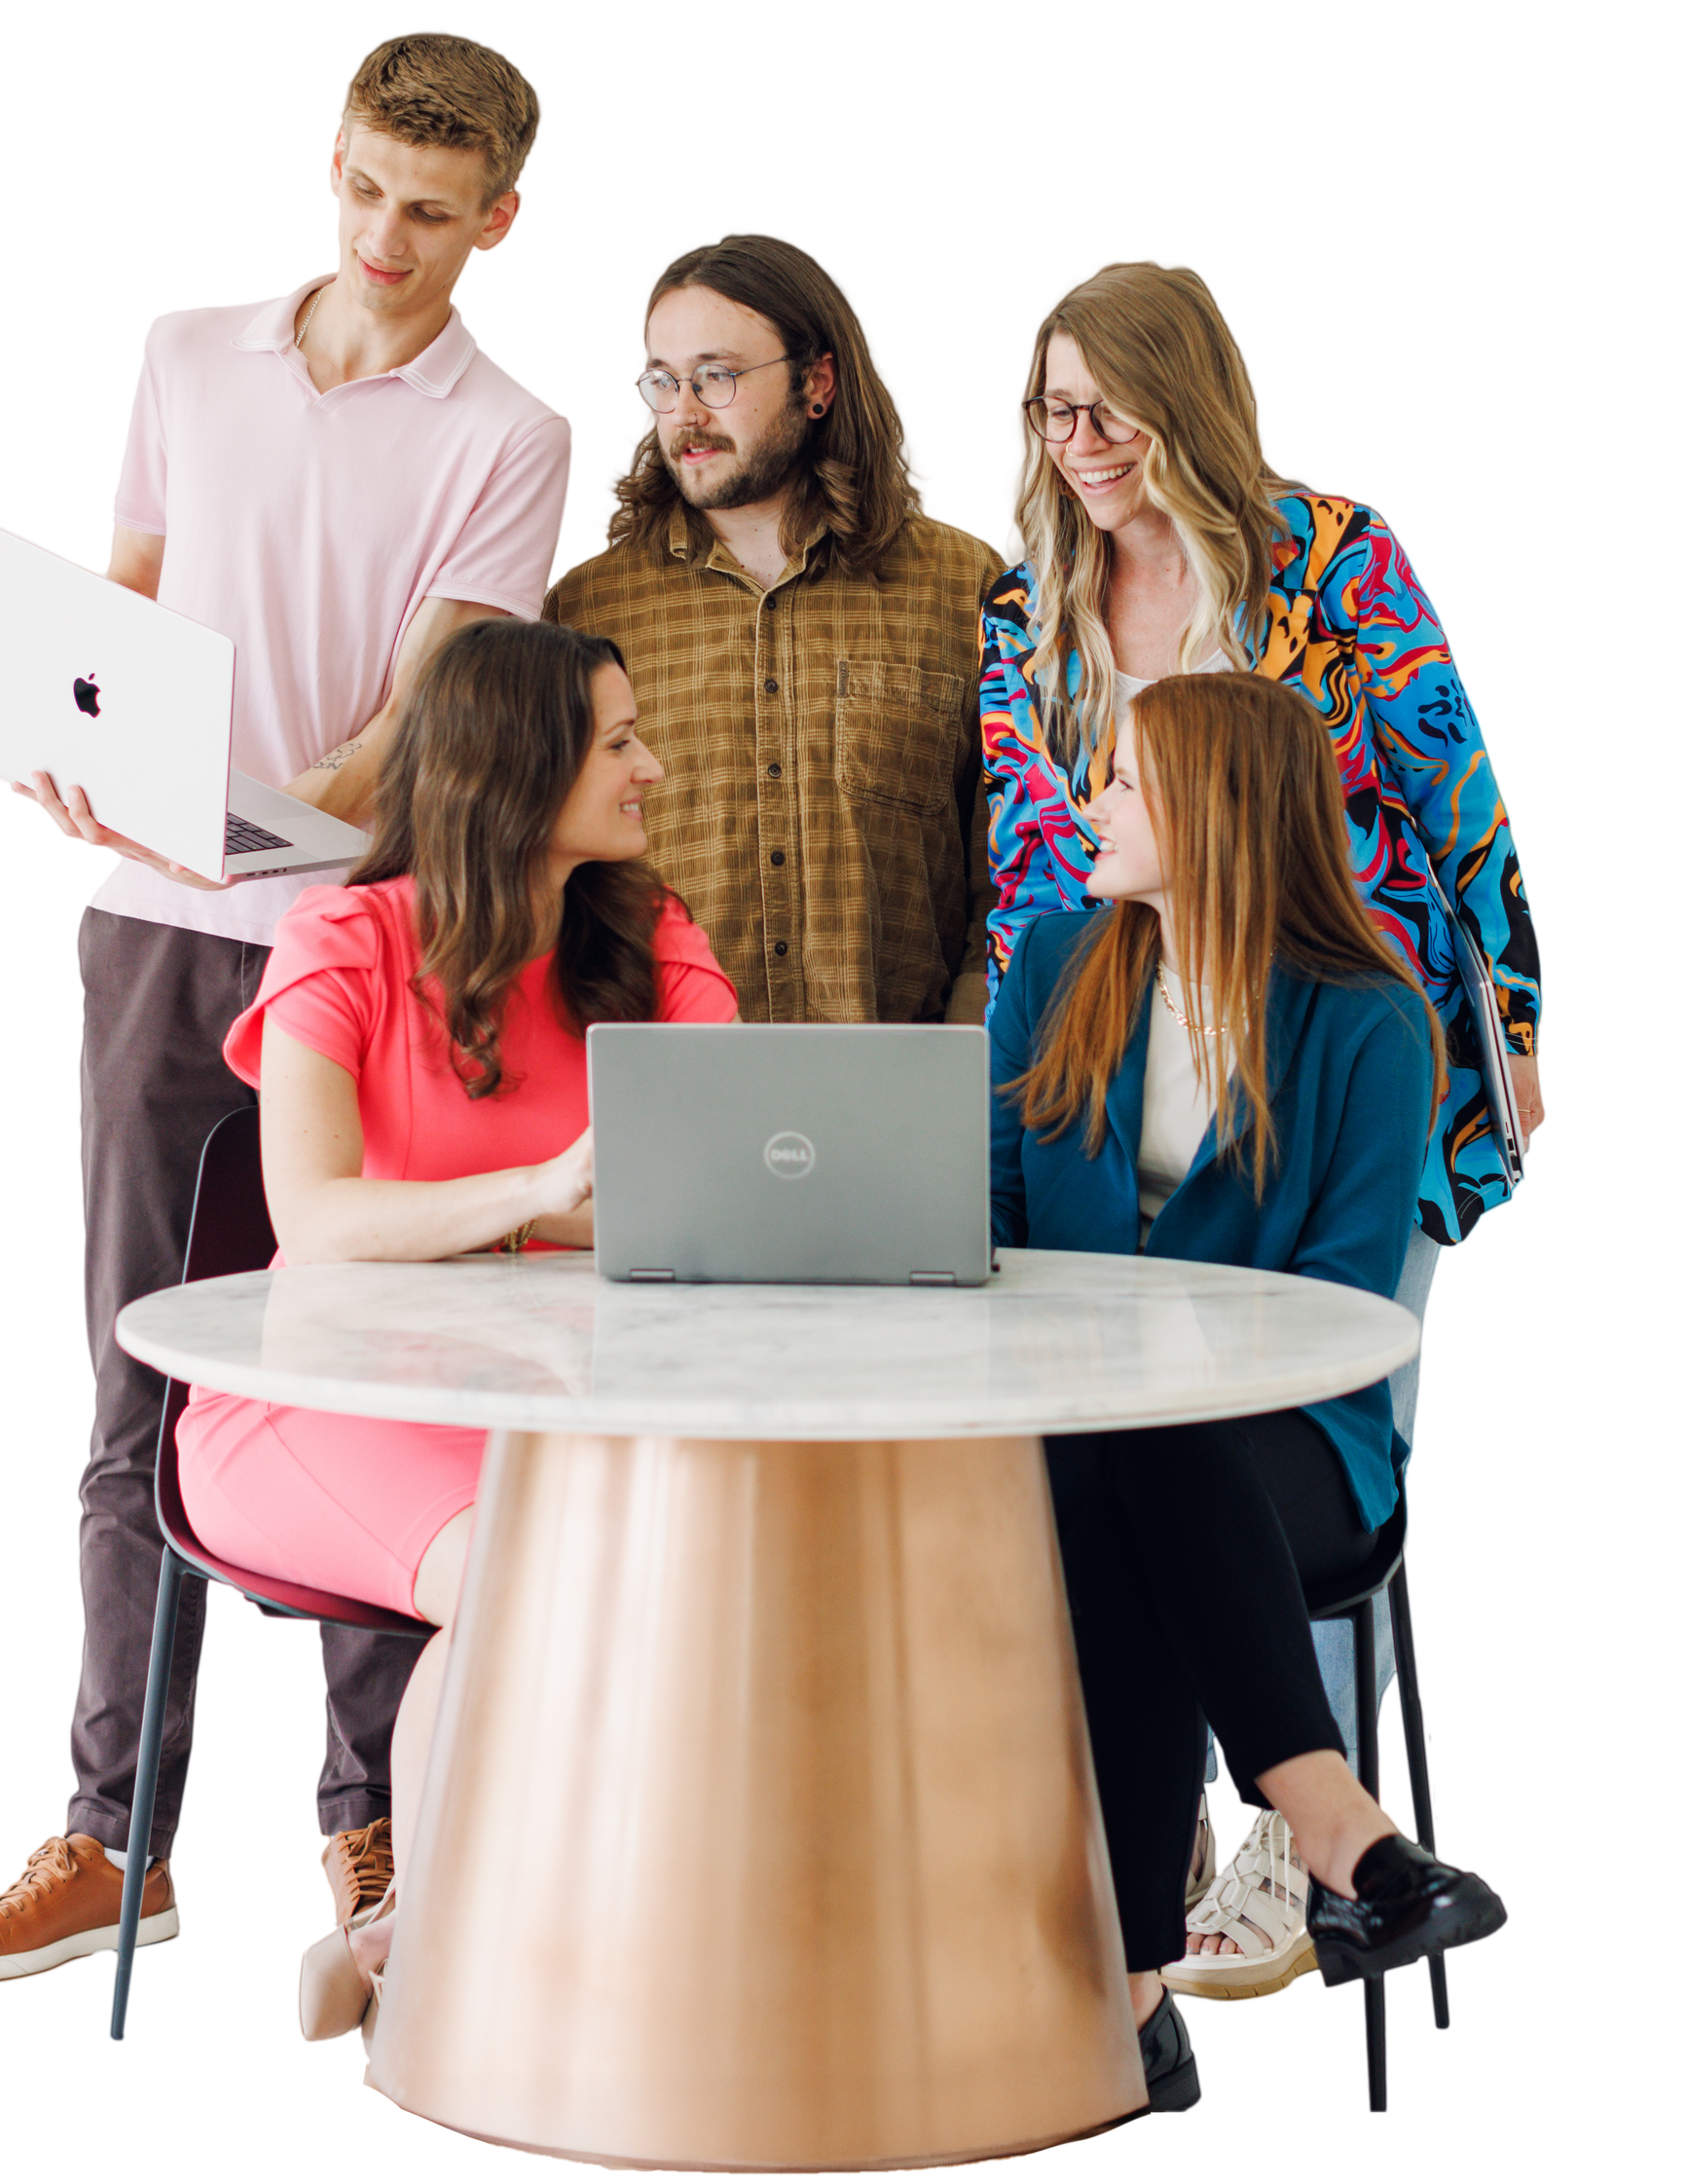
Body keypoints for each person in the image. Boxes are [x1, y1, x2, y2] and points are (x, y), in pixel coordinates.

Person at [0, 31, 574, 1987]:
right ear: (332, 158)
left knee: (366, 1367)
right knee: (134, 1378)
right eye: (362, 189)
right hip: (149, 926)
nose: (384, 237)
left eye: (431, 212)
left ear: (501, 216)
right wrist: (71, 748)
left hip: (361, 943)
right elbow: (122, 607)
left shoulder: (512, 433)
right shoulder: (188, 352)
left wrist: (262, 821)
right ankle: (117, 1837)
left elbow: (421, 725)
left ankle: (371, 1837)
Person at [977, 256, 1544, 2001]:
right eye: (1050, 413)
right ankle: (1323, 1850)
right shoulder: (1031, 596)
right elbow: (1023, 838)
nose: (1076, 444)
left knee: (1233, 1418)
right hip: (1119, 1003)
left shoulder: (1332, 556)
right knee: (1137, 1440)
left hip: (1326, 1015)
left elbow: (1455, 792)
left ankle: (1212, 1896)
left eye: (1108, 411)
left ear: (1186, 401)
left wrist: (1510, 1016)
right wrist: (1031, 1037)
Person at [173, 617, 739, 2041]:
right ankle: (458, 1951)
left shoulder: (655, 941)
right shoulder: (344, 937)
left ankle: (406, 1935)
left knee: (690, 1581)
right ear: (515, 768)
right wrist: (546, 1196)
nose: (653, 769)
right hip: (316, 1394)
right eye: (619, 742)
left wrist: (473, 1220)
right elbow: (315, 1217)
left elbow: (709, 1201)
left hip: (547, 1401)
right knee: (534, 1574)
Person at [990, 670, 1507, 2110]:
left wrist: (1138, 1365)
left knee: (1141, 1466)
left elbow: (1339, 1304)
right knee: (1124, 1469)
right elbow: (984, 1217)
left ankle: (1136, 1997)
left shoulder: (1368, 1019)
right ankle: (1345, 1843)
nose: (1089, 803)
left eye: (1124, 781)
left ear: (1217, 810)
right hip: (1081, 1421)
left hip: (1295, 1436)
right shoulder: (1055, 963)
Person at [544, 229, 1003, 1027]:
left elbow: (1009, 867)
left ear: (816, 381)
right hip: (666, 1078)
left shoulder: (964, 585)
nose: (684, 414)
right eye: (663, 381)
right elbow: (551, 875)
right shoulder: (583, 612)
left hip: (904, 1079)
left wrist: (968, 1055)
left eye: (716, 377)